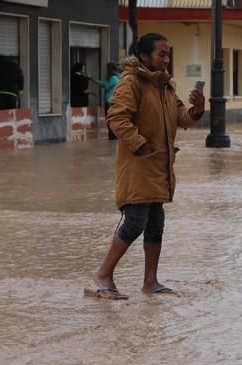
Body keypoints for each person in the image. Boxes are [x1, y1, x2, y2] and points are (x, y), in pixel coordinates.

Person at [88, 33, 205, 300]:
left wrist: (197, 109)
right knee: (135, 222)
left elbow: (181, 118)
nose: (166, 59)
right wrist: (140, 145)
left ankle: (150, 282)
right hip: (139, 165)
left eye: (168, 54)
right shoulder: (131, 83)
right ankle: (102, 276)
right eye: (160, 54)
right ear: (144, 56)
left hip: (160, 167)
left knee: (156, 223)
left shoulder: (166, 86)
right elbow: (116, 117)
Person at [92, 62, 121, 139]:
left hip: (109, 102)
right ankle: (113, 135)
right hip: (113, 101)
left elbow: (106, 86)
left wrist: (94, 80)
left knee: (110, 119)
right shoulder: (117, 77)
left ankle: (112, 136)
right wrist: (94, 80)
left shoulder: (113, 78)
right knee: (112, 119)